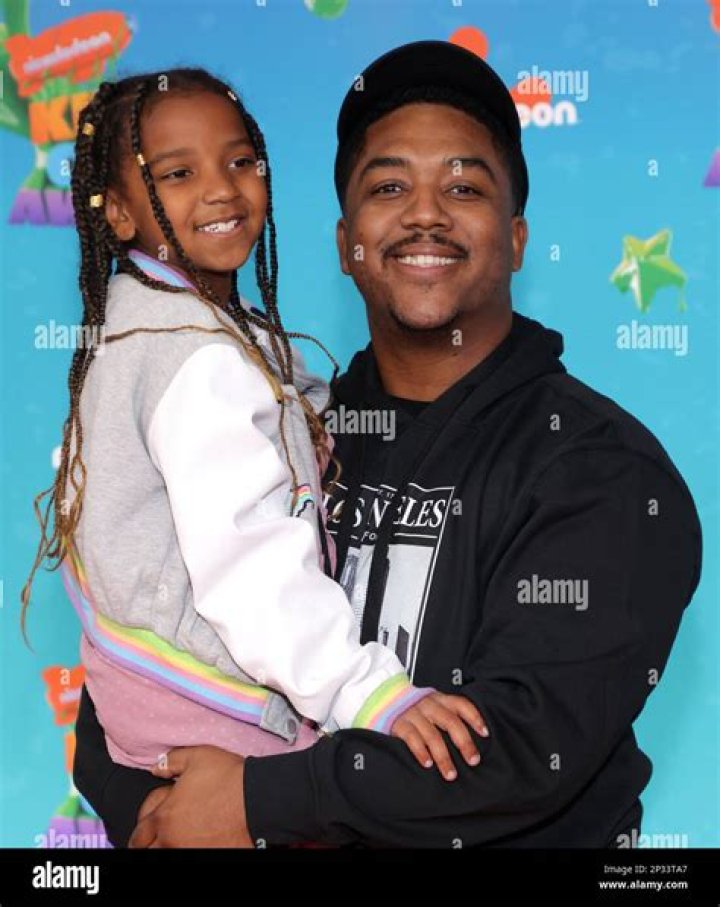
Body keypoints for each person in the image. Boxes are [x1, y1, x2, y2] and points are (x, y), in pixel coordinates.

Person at [73, 42, 702, 849]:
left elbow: (517, 753)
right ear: (346, 243)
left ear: (516, 238)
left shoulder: (599, 471)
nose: (425, 213)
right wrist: (162, 810)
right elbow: (137, 662)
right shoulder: (287, 432)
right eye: (389, 186)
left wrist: (258, 801)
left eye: (464, 187)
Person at [22, 66, 489, 825]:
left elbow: (280, 400)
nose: (221, 190)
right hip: (208, 707)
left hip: (138, 694)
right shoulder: (195, 359)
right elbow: (250, 571)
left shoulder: (154, 319)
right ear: (118, 212)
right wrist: (368, 691)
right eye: (177, 174)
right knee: (360, 802)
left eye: (241, 161)